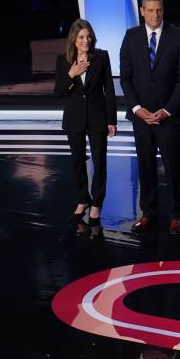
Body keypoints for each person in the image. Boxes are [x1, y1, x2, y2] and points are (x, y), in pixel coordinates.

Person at [119, 0, 180, 235]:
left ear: (163, 10)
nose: (155, 14)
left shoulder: (179, 37)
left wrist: (168, 109)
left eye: (159, 10)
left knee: (173, 167)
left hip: (167, 117)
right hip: (141, 117)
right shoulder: (131, 37)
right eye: (150, 10)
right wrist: (137, 109)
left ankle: (177, 214)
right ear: (142, 11)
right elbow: (126, 78)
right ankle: (148, 212)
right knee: (146, 166)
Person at [54, 18, 117, 234]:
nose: (86, 40)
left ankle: (97, 203)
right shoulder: (63, 61)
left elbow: (109, 89)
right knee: (78, 161)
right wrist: (72, 74)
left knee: (100, 161)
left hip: (98, 117)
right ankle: (82, 199)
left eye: (88, 36)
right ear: (74, 38)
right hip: (74, 118)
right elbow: (59, 92)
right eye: (81, 37)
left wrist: (112, 120)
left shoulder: (101, 57)